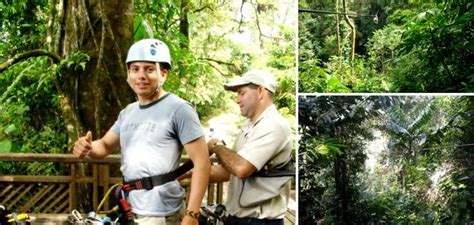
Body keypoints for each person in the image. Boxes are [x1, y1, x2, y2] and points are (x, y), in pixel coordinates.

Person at [73, 38, 211, 225]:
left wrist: (192, 215)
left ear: (163, 74)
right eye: (135, 69)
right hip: (130, 209)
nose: (141, 76)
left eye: (149, 69)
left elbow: (202, 162)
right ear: (129, 74)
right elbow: (104, 145)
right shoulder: (128, 112)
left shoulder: (179, 109)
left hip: (162, 213)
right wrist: (87, 147)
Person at [206, 69, 294, 225]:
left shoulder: (274, 125)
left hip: (261, 221)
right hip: (238, 218)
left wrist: (216, 146)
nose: (237, 100)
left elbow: (241, 168)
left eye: (242, 93)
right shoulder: (249, 127)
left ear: (261, 91)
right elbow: (228, 171)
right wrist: (190, 175)